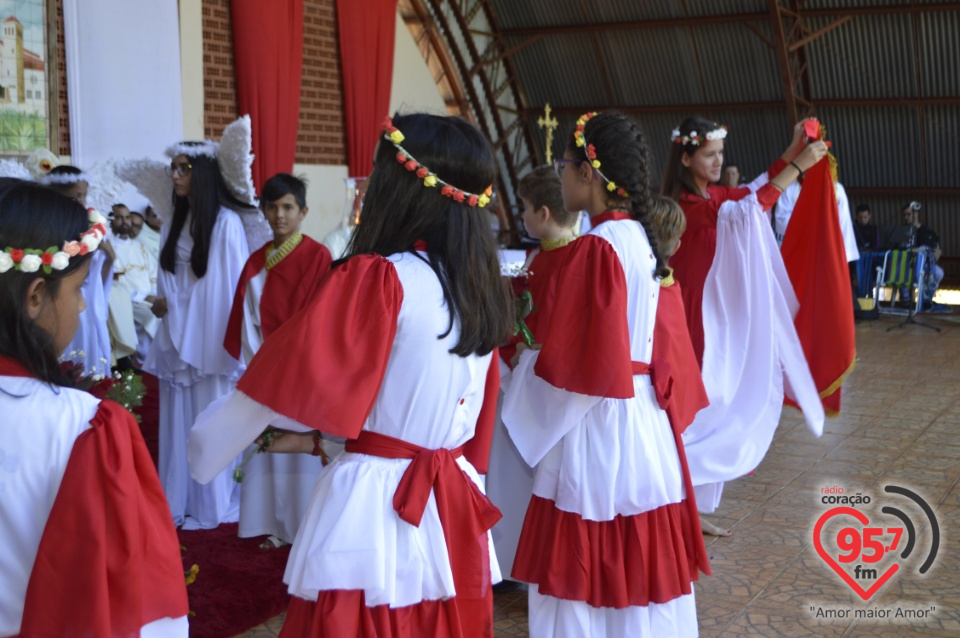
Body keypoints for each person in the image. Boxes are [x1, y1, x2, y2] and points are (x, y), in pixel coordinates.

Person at [189, 113, 512, 636]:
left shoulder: (383, 276)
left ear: (399, 188)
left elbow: (290, 375)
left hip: (378, 502)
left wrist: (208, 443)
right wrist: (322, 441)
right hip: (449, 497)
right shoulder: (479, 287)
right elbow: (463, 412)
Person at [502, 111, 708, 636]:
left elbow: (579, 369)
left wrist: (519, 369)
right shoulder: (641, 239)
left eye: (565, 165)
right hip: (641, 420)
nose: (562, 174)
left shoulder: (597, 248)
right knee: (635, 570)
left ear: (587, 173)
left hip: (602, 425)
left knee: (584, 574)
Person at [0, 180, 188, 637]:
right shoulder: (86, 426)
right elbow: (138, 598)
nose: (84, 306)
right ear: (36, 296)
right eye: (80, 288)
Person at [144, 140, 254, 529]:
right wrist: (164, 303)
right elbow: (169, 280)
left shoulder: (226, 224)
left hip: (209, 345)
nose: (175, 175)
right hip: (177, 340)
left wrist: (173, 307)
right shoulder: (173, 221)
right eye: (173, 167)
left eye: (184, 168)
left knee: (209, 422)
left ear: (203, 173)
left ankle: (211, 502)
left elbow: (225, 292)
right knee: (177, 426)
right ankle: (176, 498)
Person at [222, 173, 333, 547]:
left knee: (300, 446)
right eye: (272, 207)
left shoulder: (319, 257)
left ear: (303, 211)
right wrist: (260, 364)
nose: (280, 215)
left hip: (304, 371)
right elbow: (248, 320)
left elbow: (322, 315)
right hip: (266, 370)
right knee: (270, 448)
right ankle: (273, 523)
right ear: (264, 212)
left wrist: (297, 362)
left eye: (288, 207)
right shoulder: (256, 262)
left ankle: (306, 526)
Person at [662, 116, 827, 367]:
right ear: (685, 159)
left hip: (716, 299)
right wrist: (797, 167)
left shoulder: (714, 192)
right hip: (695, 305)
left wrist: (794, 150)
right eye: (709, 155)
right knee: (703, 372)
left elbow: (754, 189)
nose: (719, 161)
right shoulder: (686, 202)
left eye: (720, 153)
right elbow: (747, 211)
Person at [488, 165, 576, 581]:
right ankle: (513, 564)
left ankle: (518, 565)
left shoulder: (557, 260)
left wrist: (520, 348)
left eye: (523, 208)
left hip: (540, 382)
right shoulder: (543, 256)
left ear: (542, 213)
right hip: (531, 373)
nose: (520, 216)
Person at [41, 165, 115, 376]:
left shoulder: (91, 232)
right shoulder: (45, 231)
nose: (82, 204)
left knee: (91, 363)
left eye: (84, 197)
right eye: (75, 198)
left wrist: (109, 259)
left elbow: (96, 284)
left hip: (87, 308)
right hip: (60, 306)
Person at [107, 202, 159, 367]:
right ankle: (146, 366)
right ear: (110, 220)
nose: (125, 222)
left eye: (127, 217)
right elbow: (113, 284)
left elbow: (154, 275)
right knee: (152, 318)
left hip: (149, 297)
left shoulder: (140, 248)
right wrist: (144, 297)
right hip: (128, 301)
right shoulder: (108, 249)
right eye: (119, 217)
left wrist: (154, 294)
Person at [901, 202, 943, 307]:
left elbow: (936, 247)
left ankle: (926, 299)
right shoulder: (901, 231)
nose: (906, 217)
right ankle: (905, 299)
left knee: (939, 273)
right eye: (904, 215)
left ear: (916, 214)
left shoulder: (927, 231)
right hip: (907, 264)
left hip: (925, 264)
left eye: (909, 214)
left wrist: (937, 252)